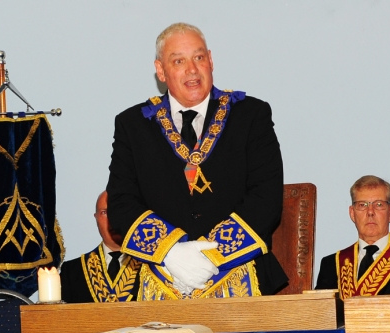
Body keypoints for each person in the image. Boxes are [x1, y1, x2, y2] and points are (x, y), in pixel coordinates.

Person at [107, 22, 287, 300]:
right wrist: (171, 253)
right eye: (178, 61)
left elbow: (266, 198)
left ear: (211, 61)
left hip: (241, 272)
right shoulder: (132, 125)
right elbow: (121, 204)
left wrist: (209, 257)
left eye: (199, 57)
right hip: (162, 275)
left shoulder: (251, 115)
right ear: (160, 71)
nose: (192, 69)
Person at [314, 175, 390, 296]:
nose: (370, 212)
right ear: (352, 213)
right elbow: (320, 307)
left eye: (378, 204)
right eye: (362, 205)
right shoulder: (331, 265)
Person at [62, 191, 140, 303]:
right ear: (96, 218)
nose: (113, 220)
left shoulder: (152, 267)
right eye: (105, 212)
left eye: (118, 211)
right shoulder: (71, 272)